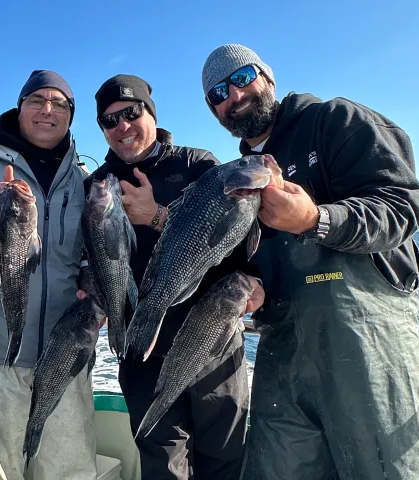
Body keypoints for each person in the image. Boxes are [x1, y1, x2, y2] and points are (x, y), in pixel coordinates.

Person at [201, 44, 419, 479]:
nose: (233, 96)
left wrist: (317, 218)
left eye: (242, 78)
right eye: (218, 92)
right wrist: (254, 287)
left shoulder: (335, 120)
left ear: (268, 78)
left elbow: (401, 208)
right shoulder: (237, 176)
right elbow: (252, 255)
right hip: (283, 352)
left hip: (367, 343)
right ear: (213, 110)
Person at [84, 74, 261, 480]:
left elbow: (237, 247)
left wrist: (158, 216)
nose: (122, 126)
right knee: (162, 465)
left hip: (212, 340)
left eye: (131, 113)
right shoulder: (96, 185)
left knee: (224, 458)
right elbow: (87, 258)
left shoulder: (199, 165)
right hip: (140, 350)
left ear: (151, 112)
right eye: (109, 121)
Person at [0, 70, 97, 480]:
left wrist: (94, 287)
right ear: (19, 107)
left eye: (60, 104)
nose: (47, 110)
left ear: (71, 116)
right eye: (37, 100)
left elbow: (93, 256)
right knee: (1, 474)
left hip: (66, 355)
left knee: (71, 472)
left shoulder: (84, 178)